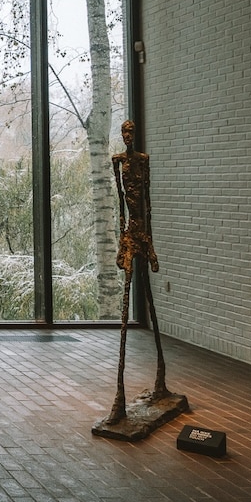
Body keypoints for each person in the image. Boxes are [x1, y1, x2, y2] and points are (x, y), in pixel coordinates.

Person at [106, 119, 169, 423]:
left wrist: (151, 245)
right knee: (125, 304)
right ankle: (119, 398)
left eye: (131, 132)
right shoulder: (118, 162)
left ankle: (161, 379)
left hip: (143, 233)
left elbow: (148, 203)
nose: (128, 136)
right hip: (130, 234)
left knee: (151, 303)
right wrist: (122, 242)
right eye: (124, 133)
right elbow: (121, 204)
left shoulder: (144, 161)